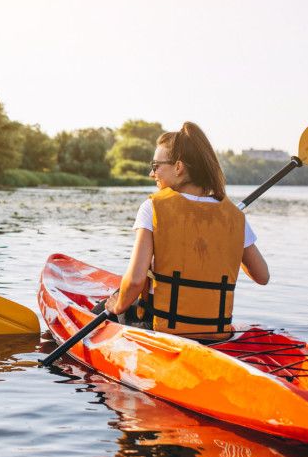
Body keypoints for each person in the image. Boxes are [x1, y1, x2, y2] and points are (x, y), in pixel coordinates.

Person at [104, 122, 269, 341]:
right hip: (214, 332)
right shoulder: (233, 216)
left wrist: (118, 306)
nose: (152, 172)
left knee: (108, 306)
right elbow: (262, 276)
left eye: (156, 165)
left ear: (179, 167)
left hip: (161, 328)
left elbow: (134, 281)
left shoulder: (153, 207)